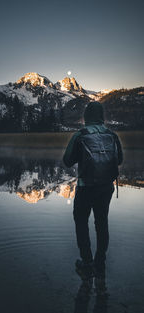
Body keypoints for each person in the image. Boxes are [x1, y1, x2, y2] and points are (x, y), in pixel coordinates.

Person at [62, 101, 123, 279]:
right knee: (101, 222)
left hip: (86, 187)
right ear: (101, 116)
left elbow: (67, 161)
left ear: (86, 116)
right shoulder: (112, 135)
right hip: (106, 187)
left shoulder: (80, 135)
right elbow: (118, 161)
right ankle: (100, 262)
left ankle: (87, 262)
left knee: (81, 222)